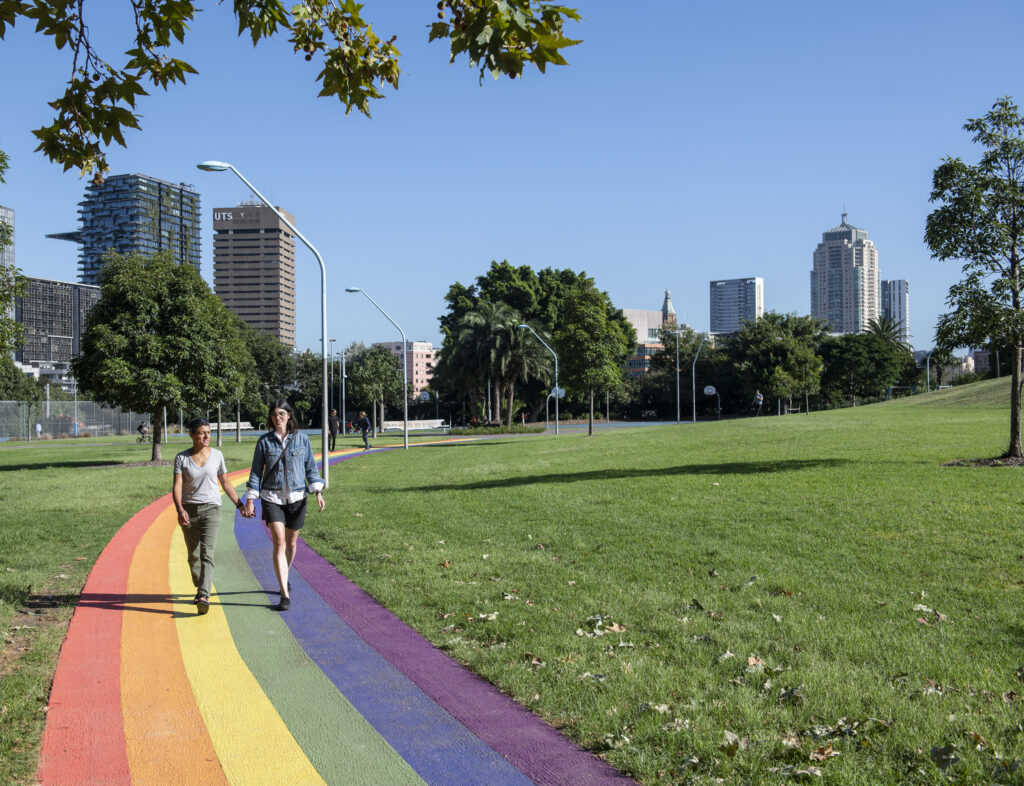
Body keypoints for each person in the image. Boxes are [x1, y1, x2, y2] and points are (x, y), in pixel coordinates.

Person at [244, 399, 325, 612]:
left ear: (289, 415)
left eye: (281, 413)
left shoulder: (302, 439)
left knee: (291, 543)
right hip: (272, 497)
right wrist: (251, 499)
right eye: (274, 414)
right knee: (279, 542)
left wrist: (317, 491)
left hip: (297, 498)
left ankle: (284, 575)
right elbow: (255, 472)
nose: (277, 417)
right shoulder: (264, 442)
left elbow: (310, 467)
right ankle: (284, 593)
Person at [172, 418, 249, 615]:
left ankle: (204, 595)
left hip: (212, 509)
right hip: (189, 509)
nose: (207, 436)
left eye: (208, 432)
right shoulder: (181, 458)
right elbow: (178, 486)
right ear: (192, 435)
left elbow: (226, 483)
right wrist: (180, 509)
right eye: (202, 432)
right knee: (193, 556)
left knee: (208, 552)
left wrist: (239, 505)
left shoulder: (217, 455)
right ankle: (201, 586)